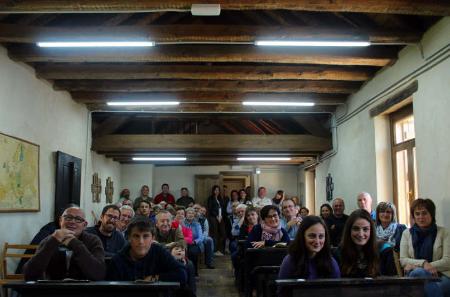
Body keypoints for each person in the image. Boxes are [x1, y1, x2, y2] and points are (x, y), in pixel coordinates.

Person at [24, 206, 105, 280]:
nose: (72, 222)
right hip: (53, 290)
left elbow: (98, 274)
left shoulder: (93, 240)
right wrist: (53, 241)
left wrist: (74, 243)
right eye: (68, 218)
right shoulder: (49, 240)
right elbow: (29, 275)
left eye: (78, 219)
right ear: (60, 221)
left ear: (85, 225)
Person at [107, 217, 186, 285]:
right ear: (129, 238)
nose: (141, 241)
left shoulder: (159, 252)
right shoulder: (118, 260)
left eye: (145, 236)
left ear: (152, 238)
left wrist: (156, 277)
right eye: (136, 236)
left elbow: (182, 274)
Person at [400, 198, 450, 297]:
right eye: (417, 214)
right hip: (415, 274)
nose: (420, 217)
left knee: (434, 284)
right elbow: (403, 260)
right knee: (419, 274)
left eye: (424, 213)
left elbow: (448, 260)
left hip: (441, 274)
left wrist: (423, 266)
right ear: (413, 216)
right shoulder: (406, 233)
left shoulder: (444, 232)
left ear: (432, 214)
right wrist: (423, 264)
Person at [278, 216, 340, 281]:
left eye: (321, 236)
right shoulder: (290, 261)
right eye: (312, 236)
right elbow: (282, 289)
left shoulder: (331, 262)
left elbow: (336, 290)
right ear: (302, 236)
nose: (317, 241)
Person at [336, 209, 395, 277]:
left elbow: (392, 284)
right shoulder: (340, 252)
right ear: (349, 230)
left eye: (365, 229)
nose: (361, 234)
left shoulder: (385, 251)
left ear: (371, 231)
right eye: (356, 229)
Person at [193, 204, 215, 269]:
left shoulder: (204, 219)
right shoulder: (190, 218)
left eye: (198, 209)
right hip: (192, 237)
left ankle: (209, 262)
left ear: (200, 210)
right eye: (195, 208)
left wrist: (201, 238)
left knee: (209, 240)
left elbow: (206, 231)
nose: (196, 210)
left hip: (202, 237)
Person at [207, 185, 226, 255]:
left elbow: (223, 208)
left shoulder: (220, 198)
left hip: (221, 217)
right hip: (213, 217)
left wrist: (221, 216)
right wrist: (216, 216)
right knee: (215, 234)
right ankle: (214, 250)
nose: (217, 191)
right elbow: (210, 208)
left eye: (218, 190)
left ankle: (221, 250)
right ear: (213, 191)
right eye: (215, 190)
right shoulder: (210, 198)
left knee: (223, 233)